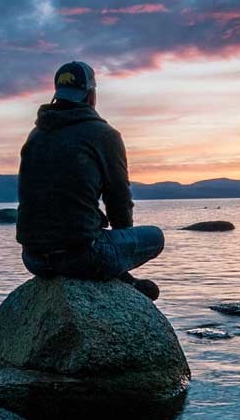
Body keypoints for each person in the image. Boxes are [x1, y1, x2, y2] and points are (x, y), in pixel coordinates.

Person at [17, 61, 163, 300]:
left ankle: (119, 276)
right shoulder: (103, 135)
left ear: (57, 94)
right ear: (91, 95)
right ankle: (121, 277)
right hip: (83, 256)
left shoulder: (35, 135)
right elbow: (119, 201)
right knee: (156, 237)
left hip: (33, 259)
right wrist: (120, 251)